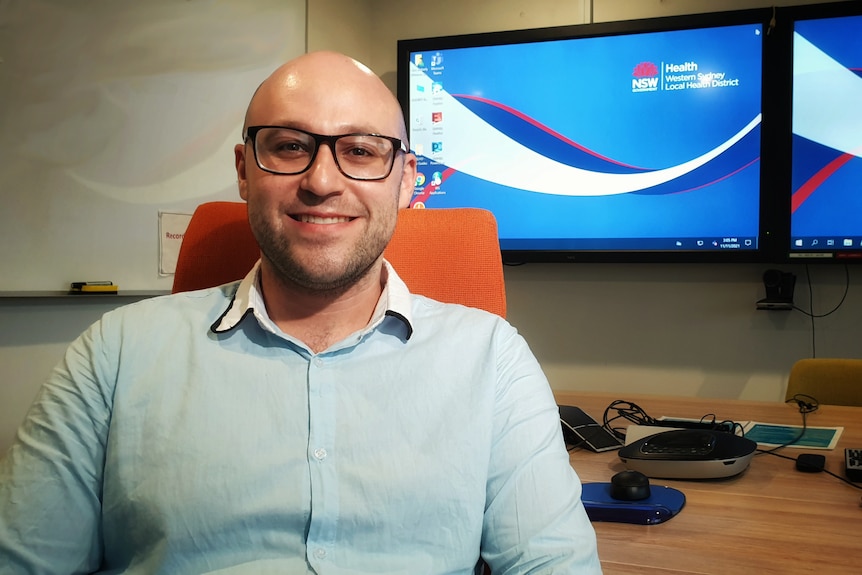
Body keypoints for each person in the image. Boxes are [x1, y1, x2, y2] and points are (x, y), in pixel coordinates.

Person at [0, 51, 601, 574]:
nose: (321, 181)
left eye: (361, 151)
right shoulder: (116, 353)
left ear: (405, 182)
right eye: (289, 147)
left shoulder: (491, 358)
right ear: (243, 171)